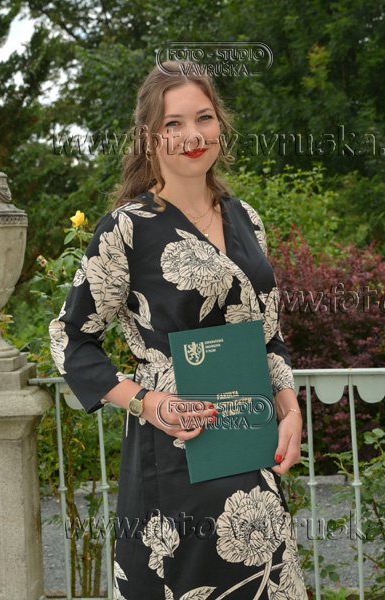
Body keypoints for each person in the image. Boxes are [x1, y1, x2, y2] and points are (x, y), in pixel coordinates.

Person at [50, 60, 307, 600]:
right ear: (149, 137)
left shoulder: (247, 219)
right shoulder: (126, 229)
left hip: (253, 455)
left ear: (221, 125)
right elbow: (70, 338)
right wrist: (146, 403)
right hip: (174, 456)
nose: (193, 135)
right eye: (173, 123)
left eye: (204, 118)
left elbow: (269, 334)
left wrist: (290, 409)